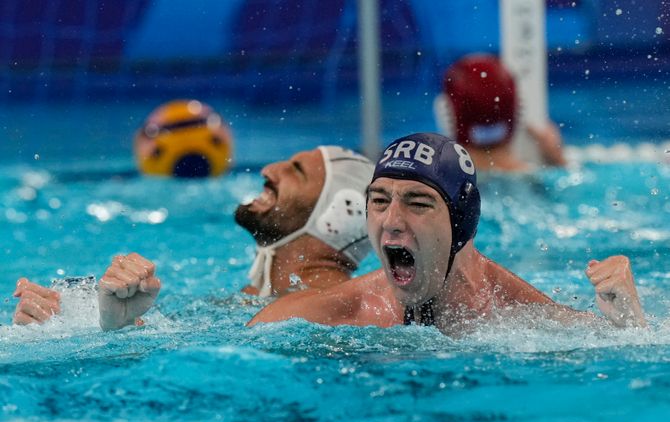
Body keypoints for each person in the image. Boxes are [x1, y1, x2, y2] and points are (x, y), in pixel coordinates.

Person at [71, 133, 645, 335]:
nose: (392, 221)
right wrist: (114, 330)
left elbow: (629, 359)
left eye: (418, 202)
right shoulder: (331, 311)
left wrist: (628, 322)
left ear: (461, 227)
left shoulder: (515, 309)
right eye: (378, 201)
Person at [12, 146, 375, 328]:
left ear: (338, 215)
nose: (268, 169)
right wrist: (64, 321)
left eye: (295, 171)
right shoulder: (244, 302)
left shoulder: (327, 310)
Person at [434, 54, 566, 172]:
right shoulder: (541, 176)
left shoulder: (437, 184)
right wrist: (560, 163)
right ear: (517, 110)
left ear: (446, 112)